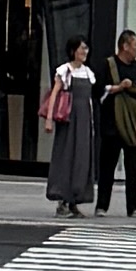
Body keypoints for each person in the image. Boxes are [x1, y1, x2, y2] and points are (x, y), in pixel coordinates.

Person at [42, 37, 101, 216]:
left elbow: (90, 100)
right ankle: (62, 200)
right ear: (73, 50)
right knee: (66, 157)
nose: (84, 52)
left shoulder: (88, 72)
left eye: (86, 49)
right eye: (82, 49)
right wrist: (49, 118)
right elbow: (55, 93)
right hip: (69, 121)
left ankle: (75, 199)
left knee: (81, 159)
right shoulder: (64, 71)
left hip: (83, 120)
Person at [97, 27, 136, 215]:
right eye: (135, 45)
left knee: (131, 170)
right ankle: (102, 205)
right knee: (107, 168)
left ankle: (133, 207)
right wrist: (118, 88)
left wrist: (133, 88)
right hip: (111, 126)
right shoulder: (108, 65)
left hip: (132, 126)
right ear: (125, 46)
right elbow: (98, 92)